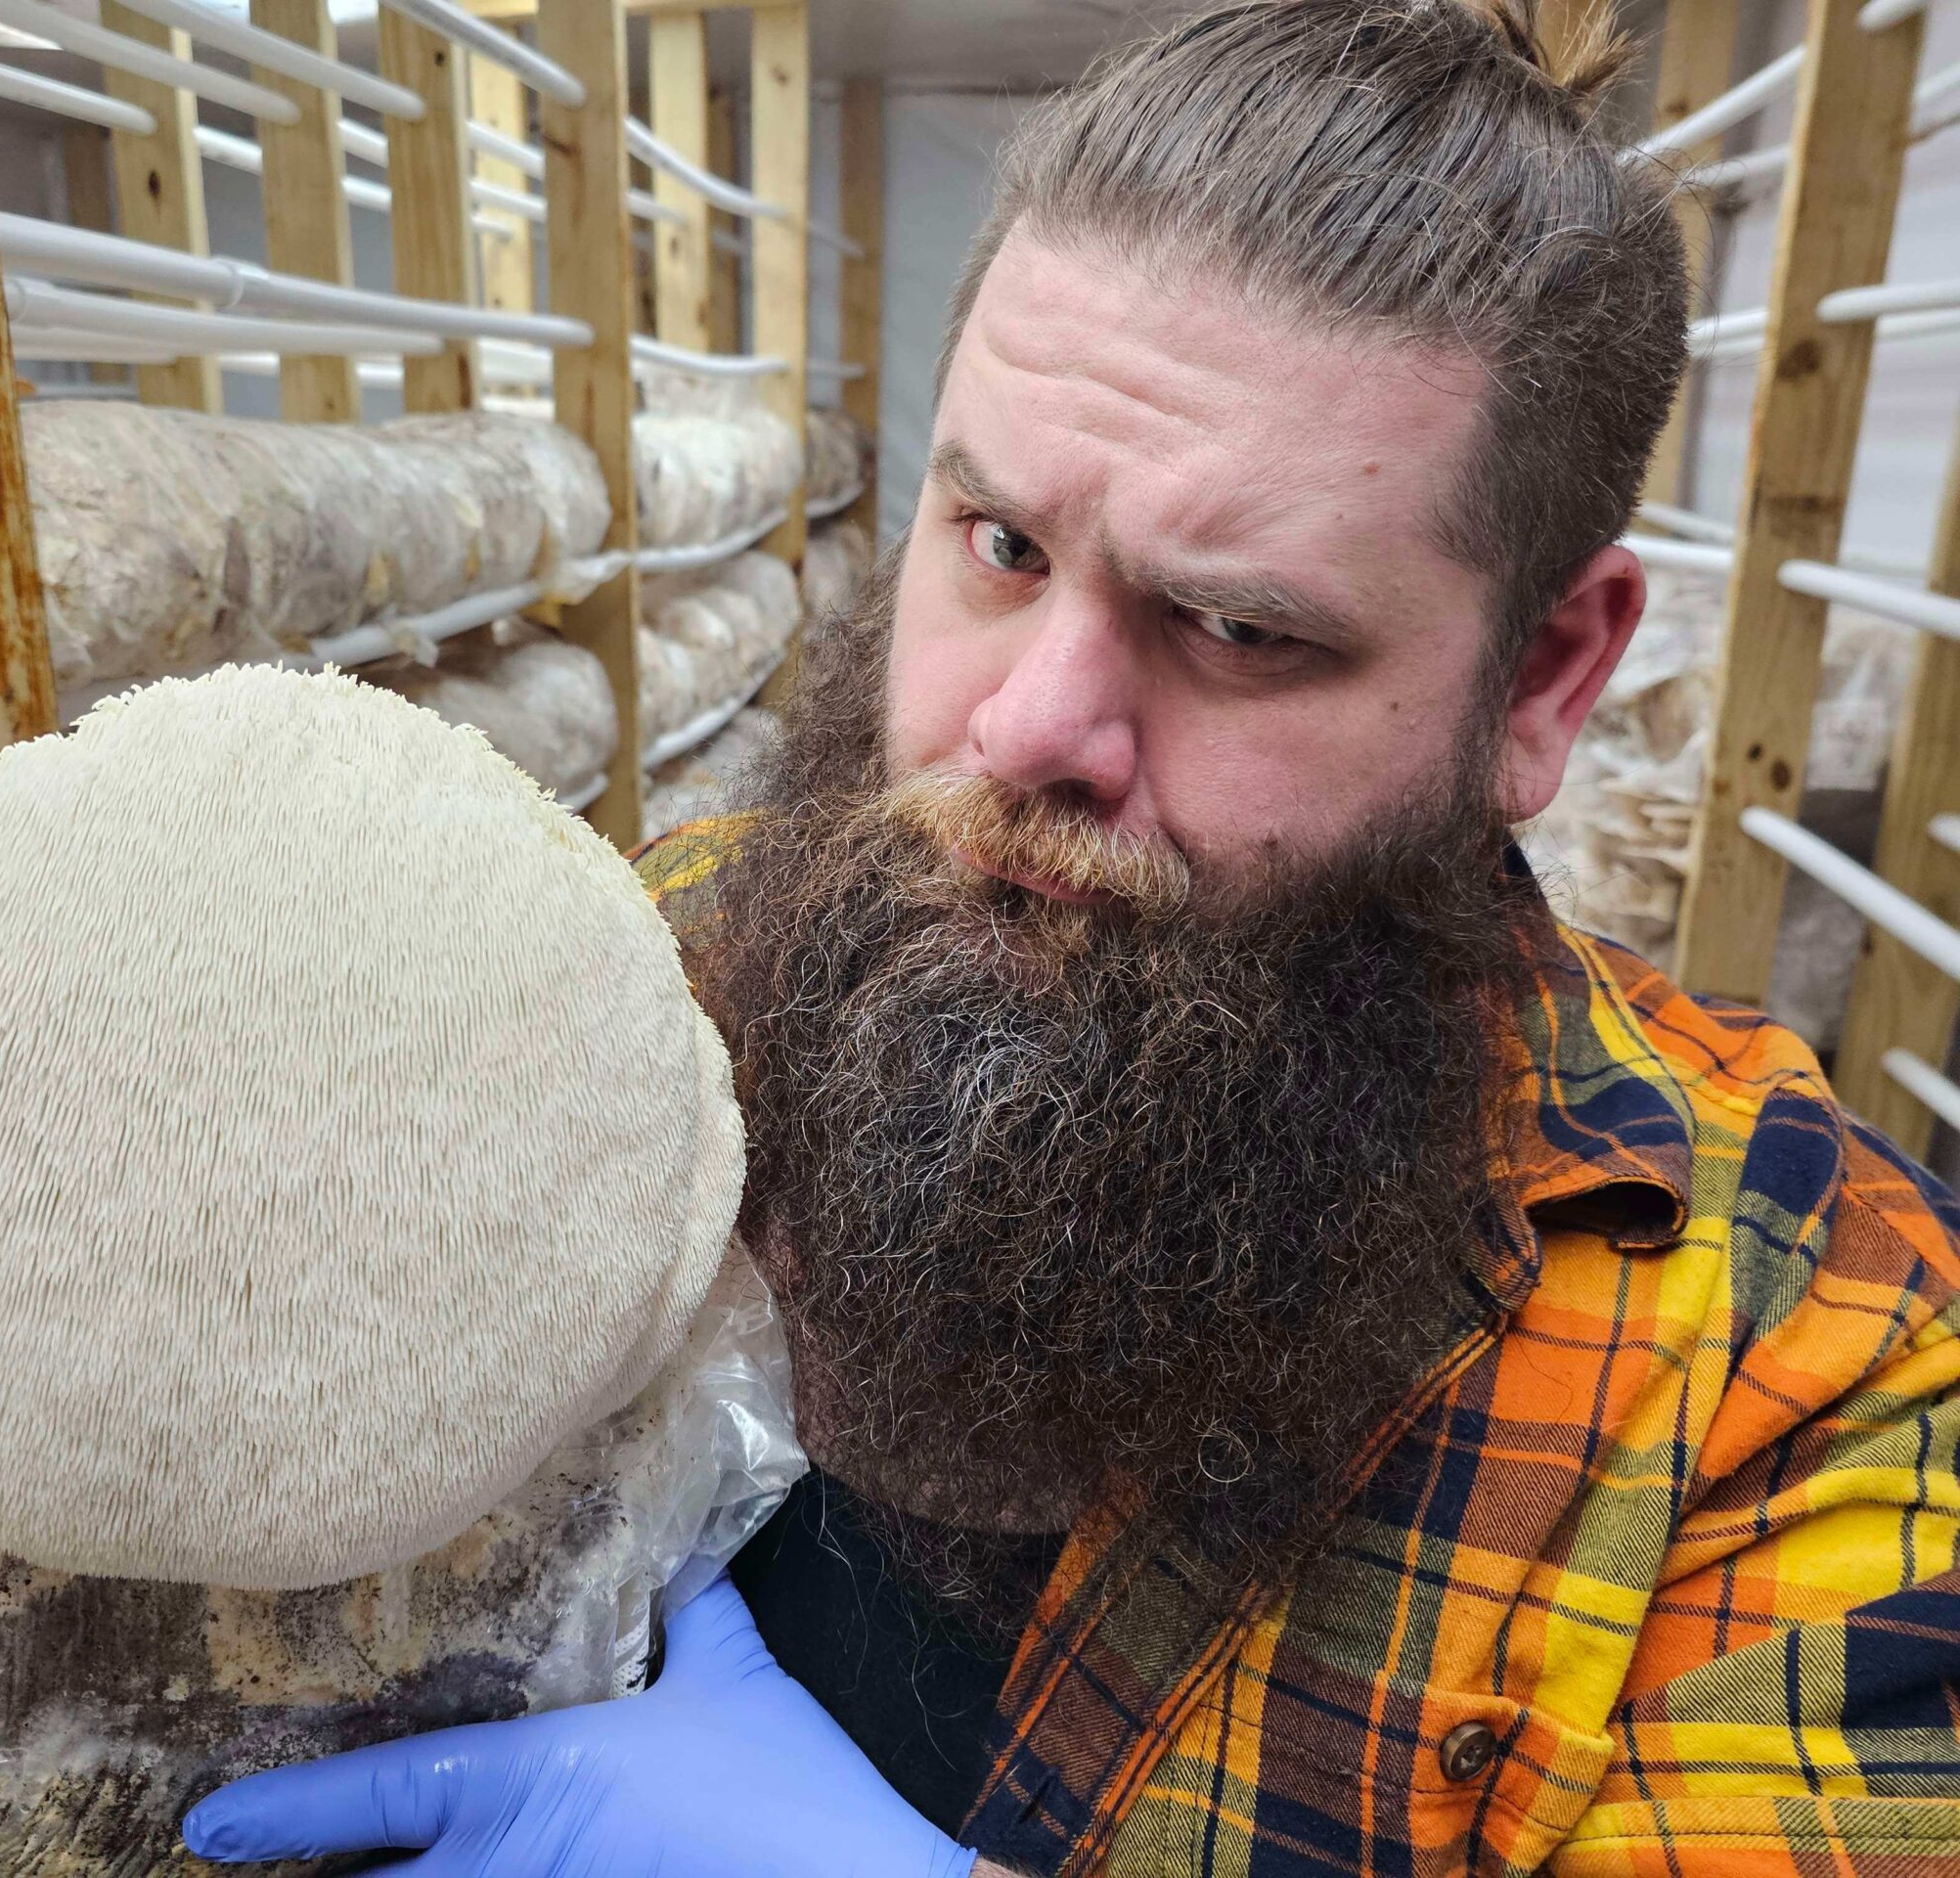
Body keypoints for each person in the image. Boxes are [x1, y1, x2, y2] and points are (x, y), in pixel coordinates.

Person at [181, 0, 1960, 1871]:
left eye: (1241, 631)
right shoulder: (645, 971)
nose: (1026, 730)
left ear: (1544, 674)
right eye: (1004, 546)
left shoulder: (1799, 1358)